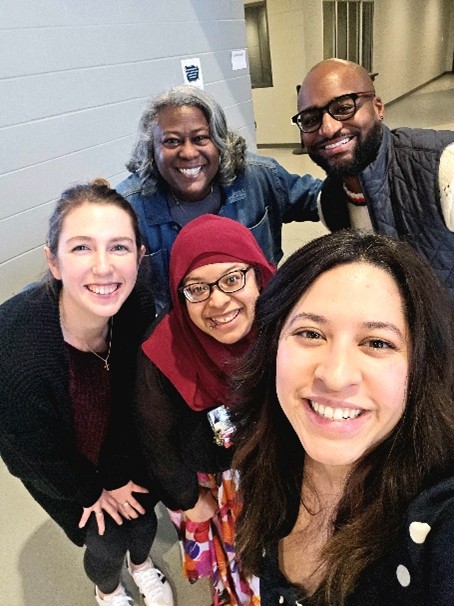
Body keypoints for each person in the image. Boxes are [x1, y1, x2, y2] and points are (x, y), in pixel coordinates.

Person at [232, 229, 454, 605]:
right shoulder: (267, 459)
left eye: (377, 343)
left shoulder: (439, 521)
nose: (335, 376)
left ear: (420, 369)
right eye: (310, 333)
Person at [0, 180, 174, 606]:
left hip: (120, 446)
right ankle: (108, 589)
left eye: (119, 247)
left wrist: (121, 471)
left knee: (143, 521)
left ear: (139, 256)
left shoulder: (135, 306)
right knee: (105, 541)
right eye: (81, 247)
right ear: (54, 262)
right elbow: (29, 454)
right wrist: (92, 491)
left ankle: (142, 565)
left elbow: (133, 395)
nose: (103, 267)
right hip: (63, 468)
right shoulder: (15, 351)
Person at [135, 214, 275, 605]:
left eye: (232, 279)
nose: (218, 301)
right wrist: (188, 499)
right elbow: (155, 441)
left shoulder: (288, 324)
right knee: (247, 569)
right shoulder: (163, 351)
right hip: (219, 485)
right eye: (197, 288)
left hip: (286, 468)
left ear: (258, 275)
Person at [116, 84, 321, 313]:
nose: (189, 153)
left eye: (201, 138)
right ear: (151, 150)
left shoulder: (258, 176)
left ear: (220, 142)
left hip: (259, 315)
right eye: (172, 141)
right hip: (178, 326)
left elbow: (324, 201)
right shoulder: (128, 207)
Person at [292, 58, 454, 300]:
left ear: (378, 108)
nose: (328, 128)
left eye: (343, 108)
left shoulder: (443, 168)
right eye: (310, 119)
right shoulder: (330, 203)